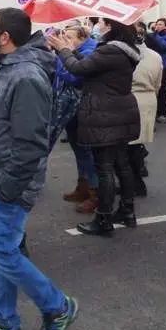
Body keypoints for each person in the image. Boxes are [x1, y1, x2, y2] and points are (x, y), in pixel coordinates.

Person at [0, 8, 78, 330]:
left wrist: (8, 190)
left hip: (5, 181)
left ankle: (58, 307)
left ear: (5, 37)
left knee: (0, 251)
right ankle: (5, 320)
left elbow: (30, 143)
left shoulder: (26, 76)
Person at [51, 18, 141, 236]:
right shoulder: (123, 50)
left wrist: (63, 51)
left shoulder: (110, 50)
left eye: (100, 23)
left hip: (105, 113)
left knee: (105, 167)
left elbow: (77, 69)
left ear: (110, 27)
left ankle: (104, 218)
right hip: (119, 110)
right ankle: (126, 211)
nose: (96, 26)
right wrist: (72, 51)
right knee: (122, 164)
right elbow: (91, 65)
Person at [54, 25, 99, 213]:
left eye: (70, 36)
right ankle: (83, 187)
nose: (66, 39)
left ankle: (95, 193)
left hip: (84, 107)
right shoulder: (77, 51)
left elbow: (74, 77)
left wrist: (61, 58)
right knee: (79, 149)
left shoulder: (89, 51)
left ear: (82, 37)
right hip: (72, 108)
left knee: (88, 152)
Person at [128, 22, 163, 197]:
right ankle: (137, 177)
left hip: (131, 98)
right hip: (148, 98)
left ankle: (135, 182)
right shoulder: (155, 56)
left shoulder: (126, 54)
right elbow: (158, 83)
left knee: (128, 145)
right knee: (137, 141)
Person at [146, 18, 166, 123]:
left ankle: (163, 112)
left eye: (160, 24)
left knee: (162, 88)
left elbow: (164, 46)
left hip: (164, 64)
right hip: (153, 63)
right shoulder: (152, 35)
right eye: (156, 24)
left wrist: (156, 35)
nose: (157, 26)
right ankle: (155, 112)